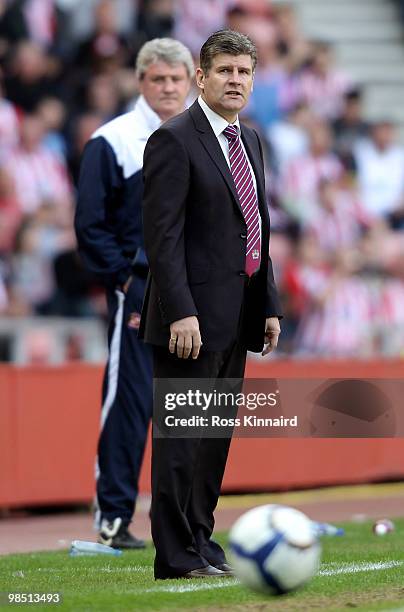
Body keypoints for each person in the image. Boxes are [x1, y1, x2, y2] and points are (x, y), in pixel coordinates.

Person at [140, 29, 282, 579]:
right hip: (189, 321)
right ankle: (175, 555)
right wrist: (180, 311)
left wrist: (267, 303)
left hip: (239, 314)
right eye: (224, 71)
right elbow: (163, 238)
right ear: (201, 76)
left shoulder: (250, 139)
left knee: (213, 442)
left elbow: (258, 230)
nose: (235, 81)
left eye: (244, 72)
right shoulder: (174, 140)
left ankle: (201, 541)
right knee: (181, 443)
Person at [74, 38, 193, 549]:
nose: (167, 88)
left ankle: (187, 520)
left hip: (198, 292)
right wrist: (125, 279)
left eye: (175, 79)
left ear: (191, 81)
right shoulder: (114, 140)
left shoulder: (210, 138)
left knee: (192, 406)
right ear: (141, 82)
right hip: (140, 290)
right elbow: (89, 225)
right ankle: (115, 516)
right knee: (131, 403)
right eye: (158, 79)